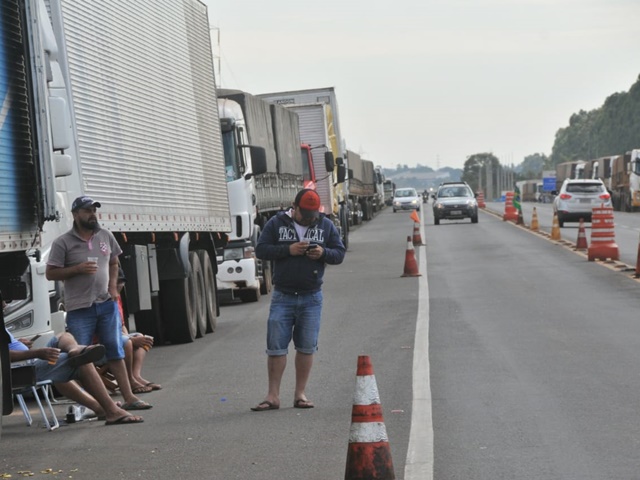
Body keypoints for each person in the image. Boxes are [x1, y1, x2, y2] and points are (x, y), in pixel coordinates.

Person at [45, 196, 152, 411]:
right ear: (76, 215)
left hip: (105, 304)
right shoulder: (63, 242)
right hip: (79, 308)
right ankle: (96, 405)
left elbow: (113, 262)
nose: (92, 214)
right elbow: (50, 273)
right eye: (87, 211)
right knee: (81, 357)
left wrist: (113, 288)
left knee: (115, 349)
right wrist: (77, 269)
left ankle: (129, 397)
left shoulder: (105, 235)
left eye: (94, 210)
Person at [251, 188, 345, 411]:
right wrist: (288, 250)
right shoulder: (277, 223)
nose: (309, 219)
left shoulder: (325, 225)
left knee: (306, 346)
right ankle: (272, 395)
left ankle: (300, 394)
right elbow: (261, 250)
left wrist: (323, 254)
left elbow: (339, 253)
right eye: (305, 214)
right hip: (283, 296)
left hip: (312, 296)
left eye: (313, 215)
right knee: (276, 347)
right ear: (295, 207)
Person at [8, 331, 144, 425]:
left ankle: (74, 349)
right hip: (19, 370)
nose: (5, 304)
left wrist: (18, 343)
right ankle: (111, 411)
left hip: (26, 359)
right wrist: (35, 353)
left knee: (63, 335)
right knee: (81, 362)